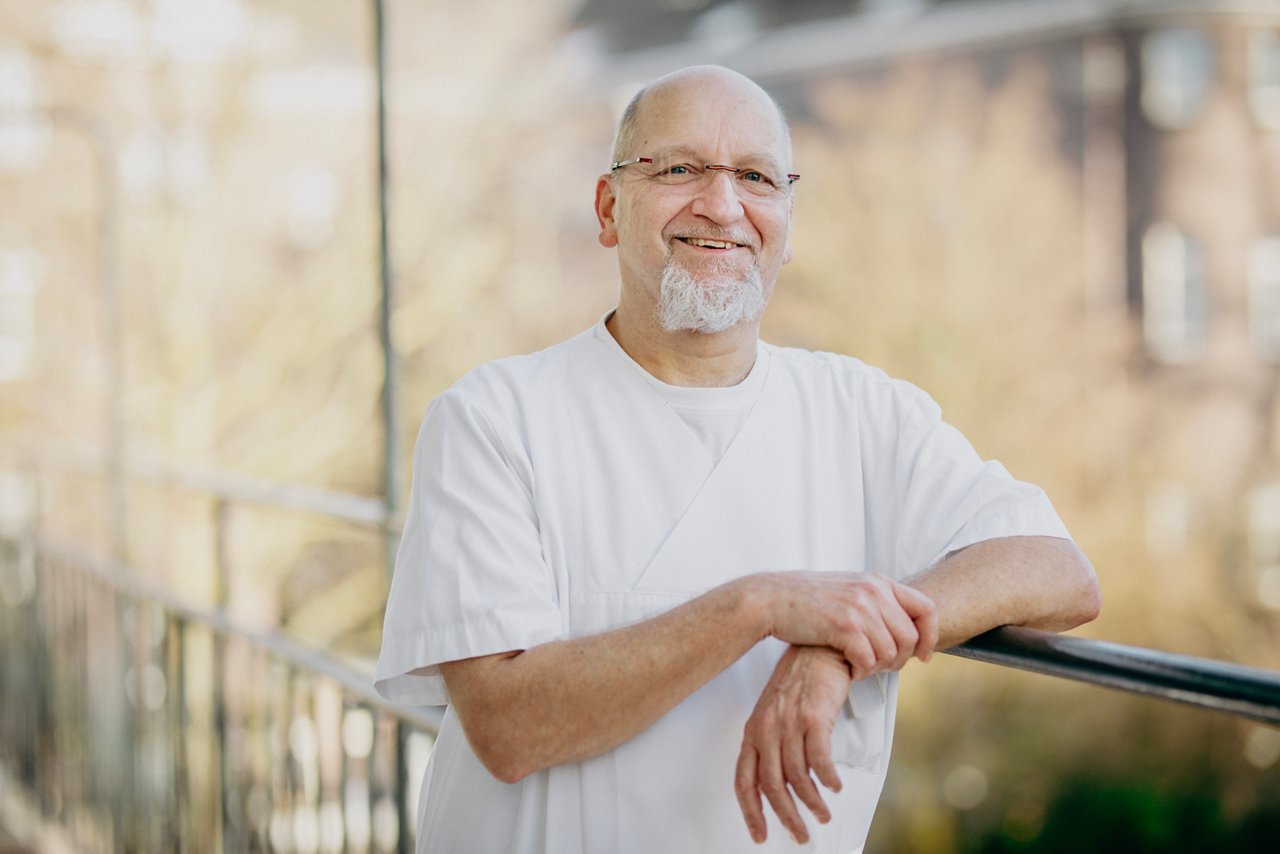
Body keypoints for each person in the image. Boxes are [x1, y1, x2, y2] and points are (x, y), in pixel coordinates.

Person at [375, 65, 1100, 854]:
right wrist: (758, 606)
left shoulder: (861, 410)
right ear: (609, 207)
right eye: (680, 168)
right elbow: (510, 728)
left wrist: (840, 645)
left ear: (788, 225)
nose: (722, 205)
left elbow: (1057, 571)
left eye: (756, 176)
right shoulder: (493, 419)